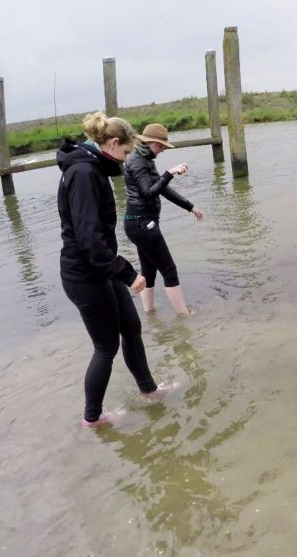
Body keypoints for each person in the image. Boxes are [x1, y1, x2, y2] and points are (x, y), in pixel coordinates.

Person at [58, 112, 177, 428]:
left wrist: (117, 270)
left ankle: (149, 390)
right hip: (85, 274)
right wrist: (127, 272)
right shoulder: (84, 173)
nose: (125, 161)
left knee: (132, 326)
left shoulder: (92, 168)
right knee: (106, 346)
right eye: (125, 153)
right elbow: (88, 239)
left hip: (100, 268)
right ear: (112, 144)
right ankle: (92, 419)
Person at [123, 123, 203, 315]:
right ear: (149, 142)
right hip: (142, 223)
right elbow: (149, 192)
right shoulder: (138, 162)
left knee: (148, 271)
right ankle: (185, 316)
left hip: (139, 223)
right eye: (160, 146)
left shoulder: (145, 158)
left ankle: (149, 315)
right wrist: (169, 173)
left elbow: (162, 189)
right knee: (169, 270)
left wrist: (189, 206)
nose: (162, 151)